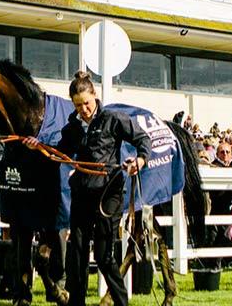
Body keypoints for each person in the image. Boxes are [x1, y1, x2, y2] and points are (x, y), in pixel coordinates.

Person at [57, 70, 150, 306]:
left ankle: (121, 302)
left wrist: (139, 160)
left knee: (103, 256)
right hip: (81, 193)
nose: (83, 110)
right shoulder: (72, 128)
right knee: (76, 253)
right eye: (78, 106)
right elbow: (60, 152)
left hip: (109, 194)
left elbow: (142, 139)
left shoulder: (113, 119)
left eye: (86, 103)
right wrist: (38, 146)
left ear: (94, 96)